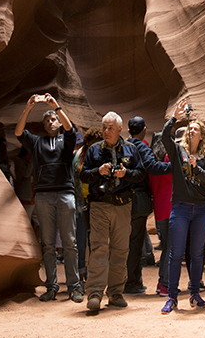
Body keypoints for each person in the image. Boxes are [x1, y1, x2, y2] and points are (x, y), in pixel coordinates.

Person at [14, 91, 83, 303]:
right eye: (48, 120)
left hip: (65, 194)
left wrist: (57, 106)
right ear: (44, 126)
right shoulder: (37, 142)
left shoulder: (66, 140)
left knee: (70, 243)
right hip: (43, 196)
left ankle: (74, 286)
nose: (51, 122)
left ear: (58, 123)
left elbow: (70, 129)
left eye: (53, 119)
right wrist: (27, 109)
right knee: (48, 244)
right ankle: (51, 285)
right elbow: (18, 133)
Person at [80, 111, 144, 311]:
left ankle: (115, 293)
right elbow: (83, 175)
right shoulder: (93, 151)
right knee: (98, 248)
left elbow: (141, 174)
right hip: (99, 205)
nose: (106, 132)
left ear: (119, 130)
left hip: (123, 205)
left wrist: (126, 174)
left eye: (110, 128)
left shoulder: (131, 150)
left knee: (121, 250)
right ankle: (95, 293)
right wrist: (98, 172)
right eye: (104, 128)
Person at [160, 99, 205, 314]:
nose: (192, 131)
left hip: (200, 209)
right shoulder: (177, 151)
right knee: (176, 252)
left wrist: (196, 168)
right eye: (190, 129)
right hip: (181, 208)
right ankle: (172, 297)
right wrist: (175, 117)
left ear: (201, 136)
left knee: (198, 253)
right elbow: (165, 136)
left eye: (196, 129)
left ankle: (195, 293)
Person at [124, 116, 171, 295]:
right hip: (138, 199)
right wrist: (174, 166)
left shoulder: (124, 145)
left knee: (130, 241)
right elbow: (152, 167)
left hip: (125, 198)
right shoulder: (142, 147)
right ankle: (131, 282)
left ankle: (134, 281)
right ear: (144, 129)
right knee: (136, 242)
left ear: (129, 131)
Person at [73, 126, 102, 282]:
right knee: (80, 240)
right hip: (79, 201)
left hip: (95, 200)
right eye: (92, 142)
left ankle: (94, 273)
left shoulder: (100, 155)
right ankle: (81, 273)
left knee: (95, 239)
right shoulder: (79, 155)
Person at [149, 130, 173, 296]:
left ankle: (164, 282)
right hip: (172, 207)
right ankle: (164, 283)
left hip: (159, 210)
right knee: (171, 247)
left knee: (166, 246)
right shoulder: (168, 159)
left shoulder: (152, 163)